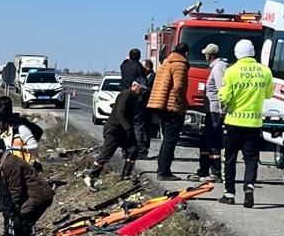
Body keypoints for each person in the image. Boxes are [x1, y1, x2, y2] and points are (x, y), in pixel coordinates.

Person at [218, 38, 274, 207]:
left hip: (233, 122)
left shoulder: (231, 71)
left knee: (230, 159)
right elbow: (269, 94)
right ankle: (249, 188)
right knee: (251, 159)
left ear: (237, 53)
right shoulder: (265, 71)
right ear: (253, 53)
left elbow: (224, 96)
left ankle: (229, 193)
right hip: (254, 124)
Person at [0, 137, 54, 236]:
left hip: (38, 197)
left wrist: (15, 211)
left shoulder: (10, 164)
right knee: (22, 226)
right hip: (35, 196)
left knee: (21, 227)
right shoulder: (8, 161)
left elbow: (16, 191)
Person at [84, 80, 144, 188]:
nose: (142, 91)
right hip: (114, 130)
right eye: (141, 88)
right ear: (134, 85)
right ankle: (90, 176)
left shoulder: (135, 98)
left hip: (124, 131)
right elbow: (121, 112)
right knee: (106, 154)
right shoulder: (125, 95)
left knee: (133, 149)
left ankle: (126, 175)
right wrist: (127, 127)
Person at [146, 41, 189, 181]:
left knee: (166, 139)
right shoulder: (180, 65)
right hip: (172, 107)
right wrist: (181, 103)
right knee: (171, 140)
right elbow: (178, 86)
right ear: (186, 53)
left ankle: (161, 168)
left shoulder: (166, 63)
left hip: (161, 105)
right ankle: (164, 171)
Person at [198, 43, 225, 181]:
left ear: (210, 55)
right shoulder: (216, 67)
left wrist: (222, 109)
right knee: (206, 140)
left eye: (206, 55)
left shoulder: (218, 68)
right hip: (211, 109)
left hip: (215, 109)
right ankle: (204, 170)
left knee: (213, 140)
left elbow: (222, 89)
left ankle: (215, 171)